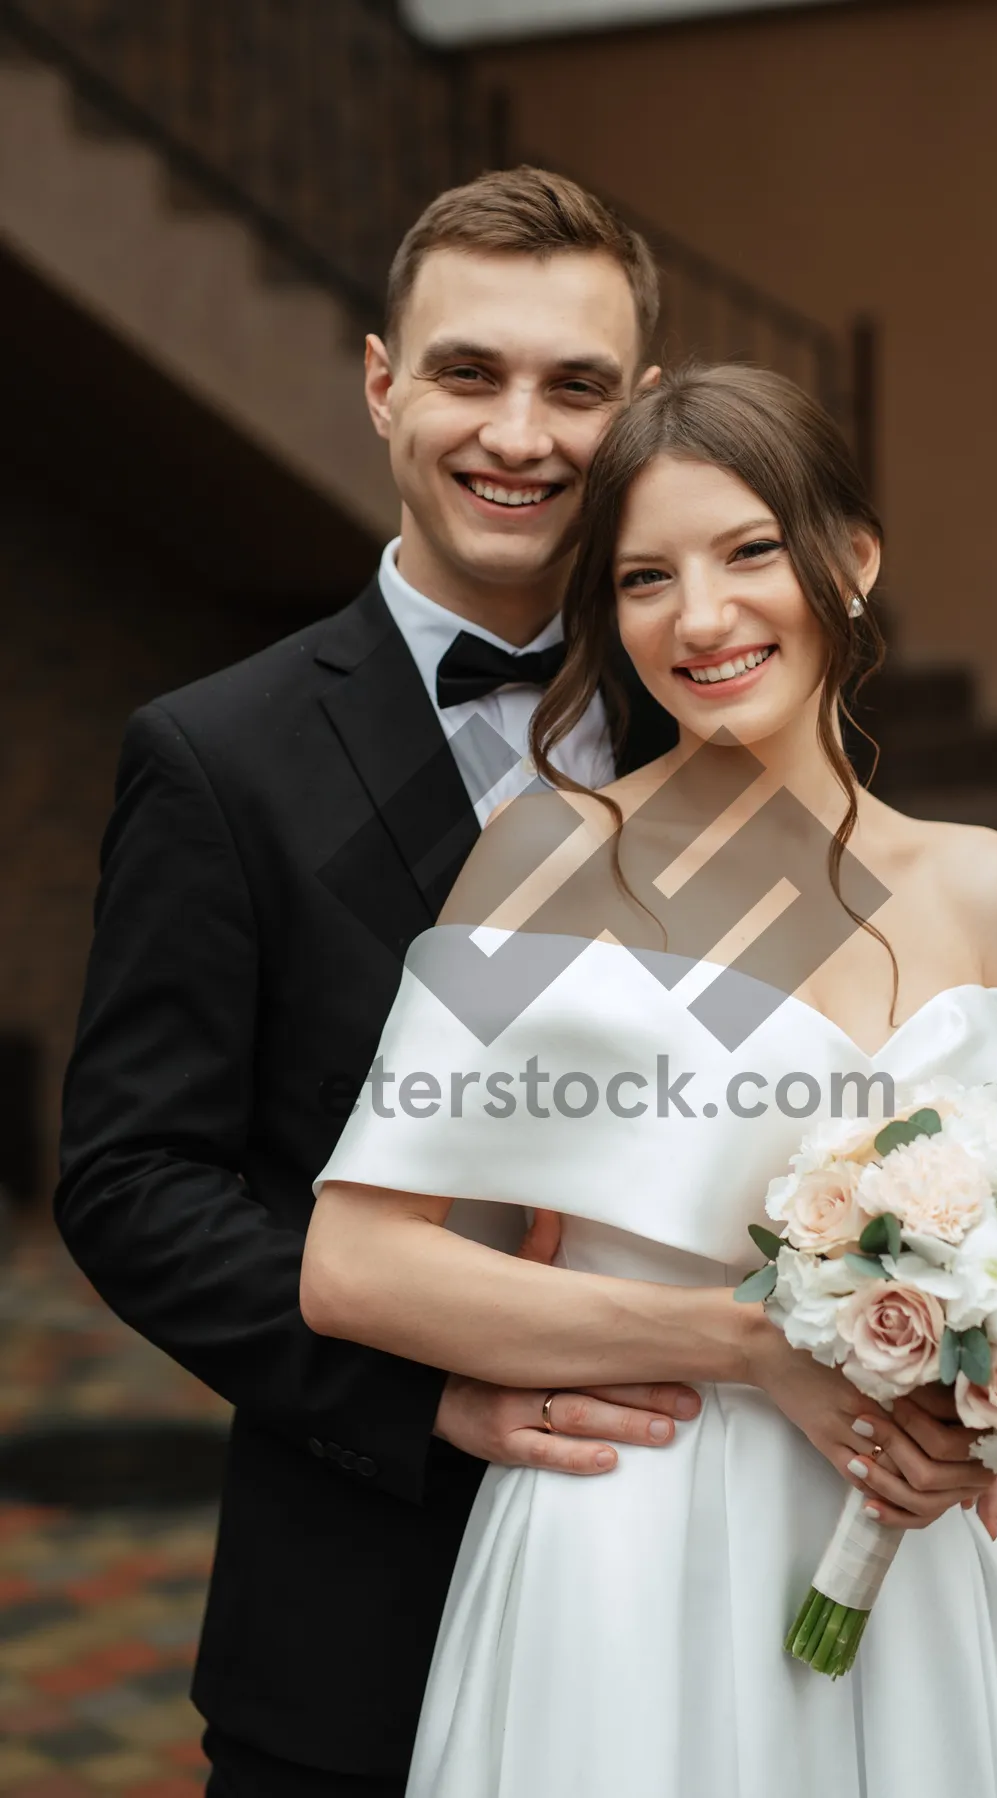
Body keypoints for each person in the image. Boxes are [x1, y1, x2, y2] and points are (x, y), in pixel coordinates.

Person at [303, 364, 997, 1795]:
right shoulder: (545, 861)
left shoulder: (990, 888)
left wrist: (974, 1447)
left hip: (900, 1571)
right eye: (644, 577)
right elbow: (356, 1267)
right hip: (618, 1543)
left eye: (750, 551)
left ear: (851, 556)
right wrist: (742, 1344)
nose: (700, 618)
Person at [55, 167, 712, 1797]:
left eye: (576, 387)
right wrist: (430, 1390)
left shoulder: (725, 723)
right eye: (469, 372)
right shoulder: (217, 756)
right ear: (381, 385)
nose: (519, 432)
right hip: (361, 1604)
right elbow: (136, 1181)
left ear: (635, 413)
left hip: (700, 1582)